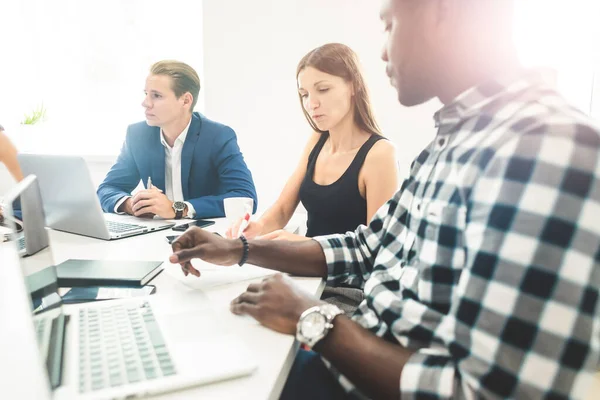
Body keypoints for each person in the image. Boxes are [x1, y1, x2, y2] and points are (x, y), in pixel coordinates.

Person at [169, 0, 600, 399]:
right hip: (352, 350)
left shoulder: (549, 147)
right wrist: (239, 248)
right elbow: (366, 245)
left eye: (390, 24)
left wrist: (313, 318)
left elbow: (485, 391)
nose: (382, 52)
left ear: (441, 12)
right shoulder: (451, 143)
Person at [226, 43, 398, 242]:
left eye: (323, 89)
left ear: (354, 85)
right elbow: (282, 210)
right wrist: (256, 227)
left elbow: (376, 245)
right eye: (304, 94)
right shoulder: (317, 140)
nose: (311, 104)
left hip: (347, 272)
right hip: (305, 270)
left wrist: (299, 243)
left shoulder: (380, 154)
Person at [97, 60, 257, 220]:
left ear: (186, 100)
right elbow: (108, 188)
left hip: (205, 235)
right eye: (146, 94)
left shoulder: (218, 136)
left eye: (156, 96)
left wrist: (179, 209)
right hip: (155, 233)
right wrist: (130, 204)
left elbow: (245, 198)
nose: (145, 103)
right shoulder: (137, 135)